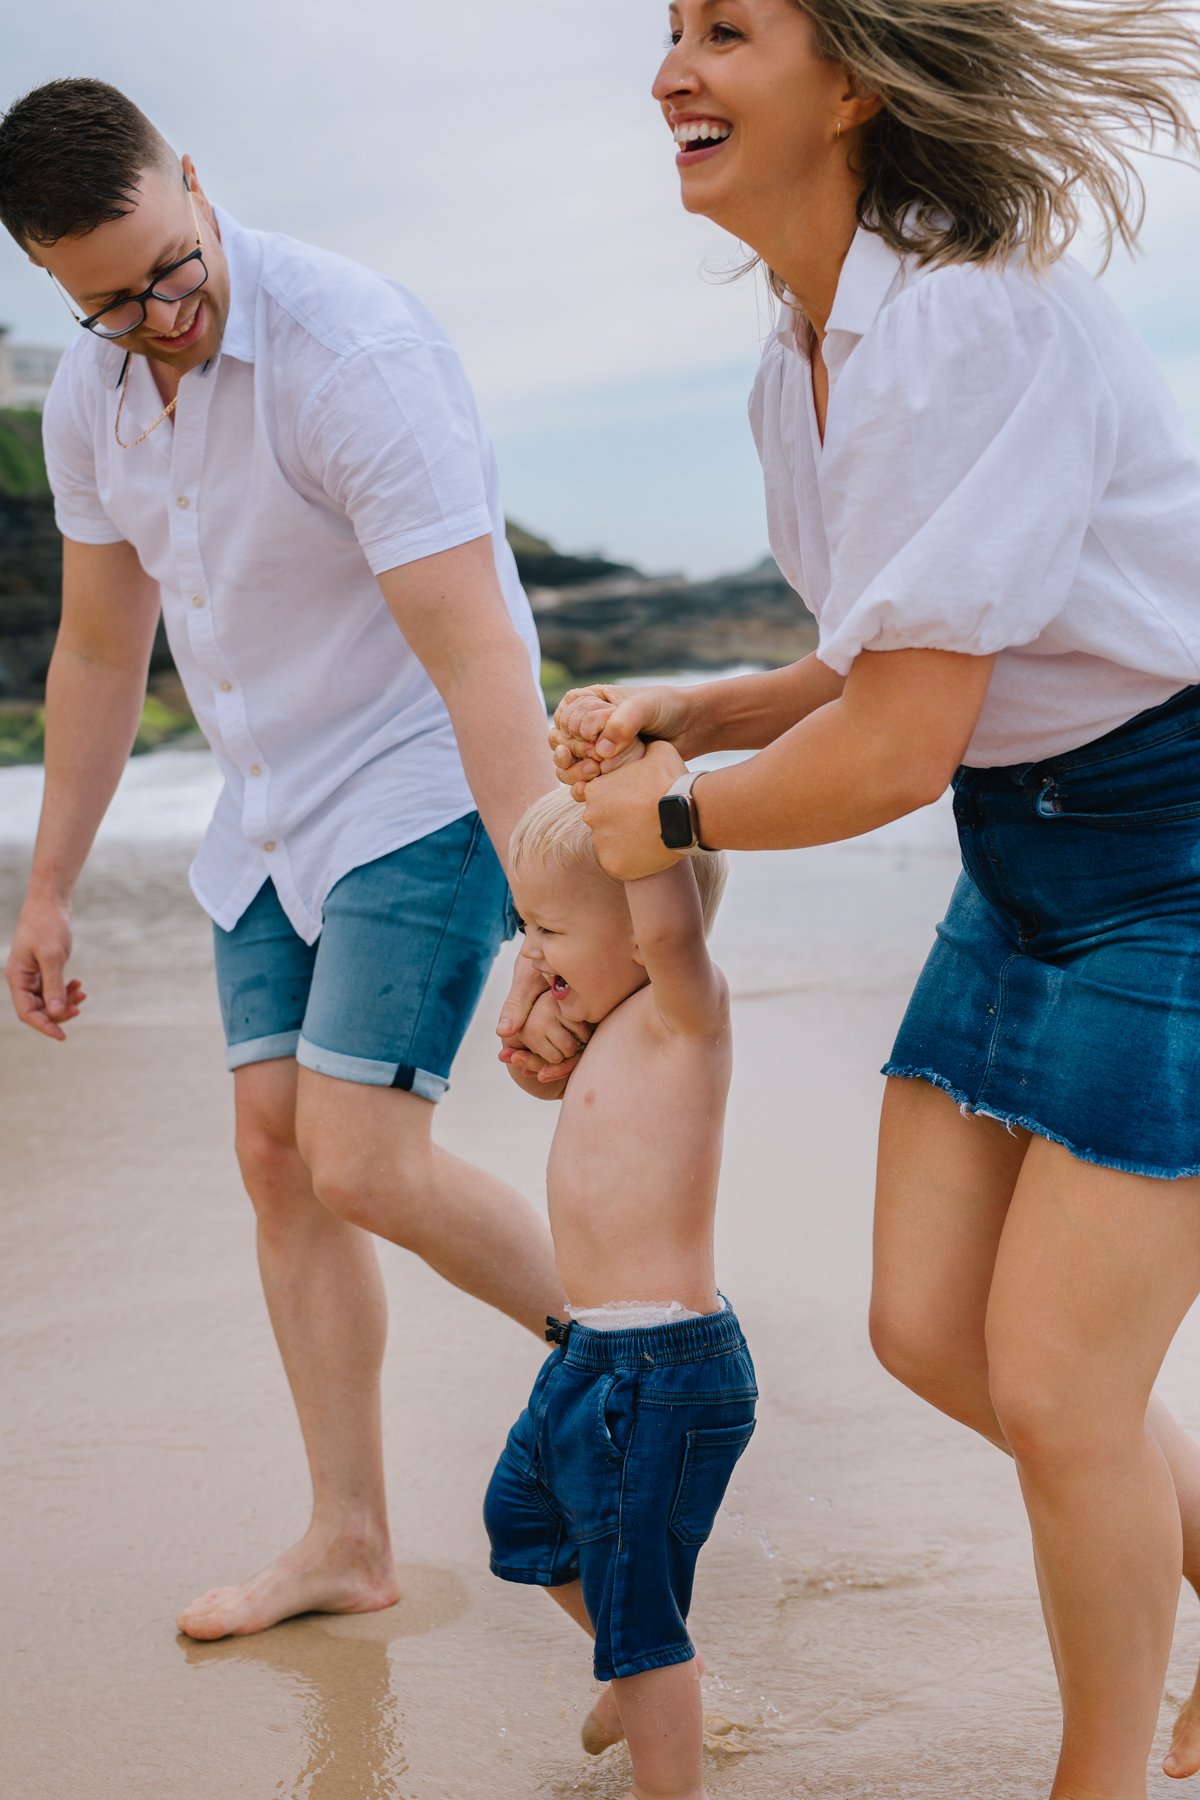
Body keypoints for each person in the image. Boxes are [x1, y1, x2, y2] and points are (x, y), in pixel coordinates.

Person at [529, 3, 1200, 1794]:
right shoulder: (802, 355)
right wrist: (711, 706)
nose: (671, 67)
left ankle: (1103, 1782)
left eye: (726, 28)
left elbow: (901, 749)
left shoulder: (964, 321)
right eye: (667, 29)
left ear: (855, 80)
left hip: (1180, 850)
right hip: (1028, 847)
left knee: (1062, 1391)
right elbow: (890, 654)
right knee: (931, 1331)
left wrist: (659, 822)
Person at [0, 77, 580, 1643]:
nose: (158, 315)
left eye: (171, 269)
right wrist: (46, 887)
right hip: (262, 809)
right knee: (277, 1153)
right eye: (110, 304)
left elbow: (475, 658)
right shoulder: (92, 395)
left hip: (418, 785)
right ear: (55, 286)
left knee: (360, 1155)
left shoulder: (354, 355)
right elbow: (103, 654)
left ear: (192, 179)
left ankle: (643, 1355)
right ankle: (348, 1537)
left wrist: (558, 906)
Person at [485, 779, 753, 1800]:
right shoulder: (602, 1024)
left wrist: (637, 779)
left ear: (644, 935)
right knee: (523, 1521)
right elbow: (534, 1054)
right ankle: (644, 1666)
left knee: (645, 1628)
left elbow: (668, 922)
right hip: (591, 1359)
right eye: (526, 926)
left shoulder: (685, 1010)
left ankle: (656, 1709)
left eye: (550, 928)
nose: (534, 949)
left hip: (665, 1367)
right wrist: (536, 991)